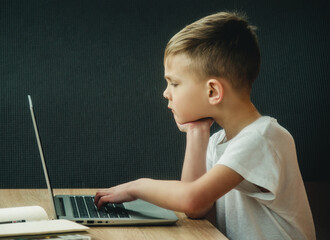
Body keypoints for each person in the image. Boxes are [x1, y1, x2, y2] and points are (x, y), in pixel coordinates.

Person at [94, 11, 315, 239]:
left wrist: (136, 187)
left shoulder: (263, 138)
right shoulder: (219, 141)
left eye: (174, 83)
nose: (166, 93)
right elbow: (197, 211)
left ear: (212, 91)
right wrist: (196, 132)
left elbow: (191, 198)